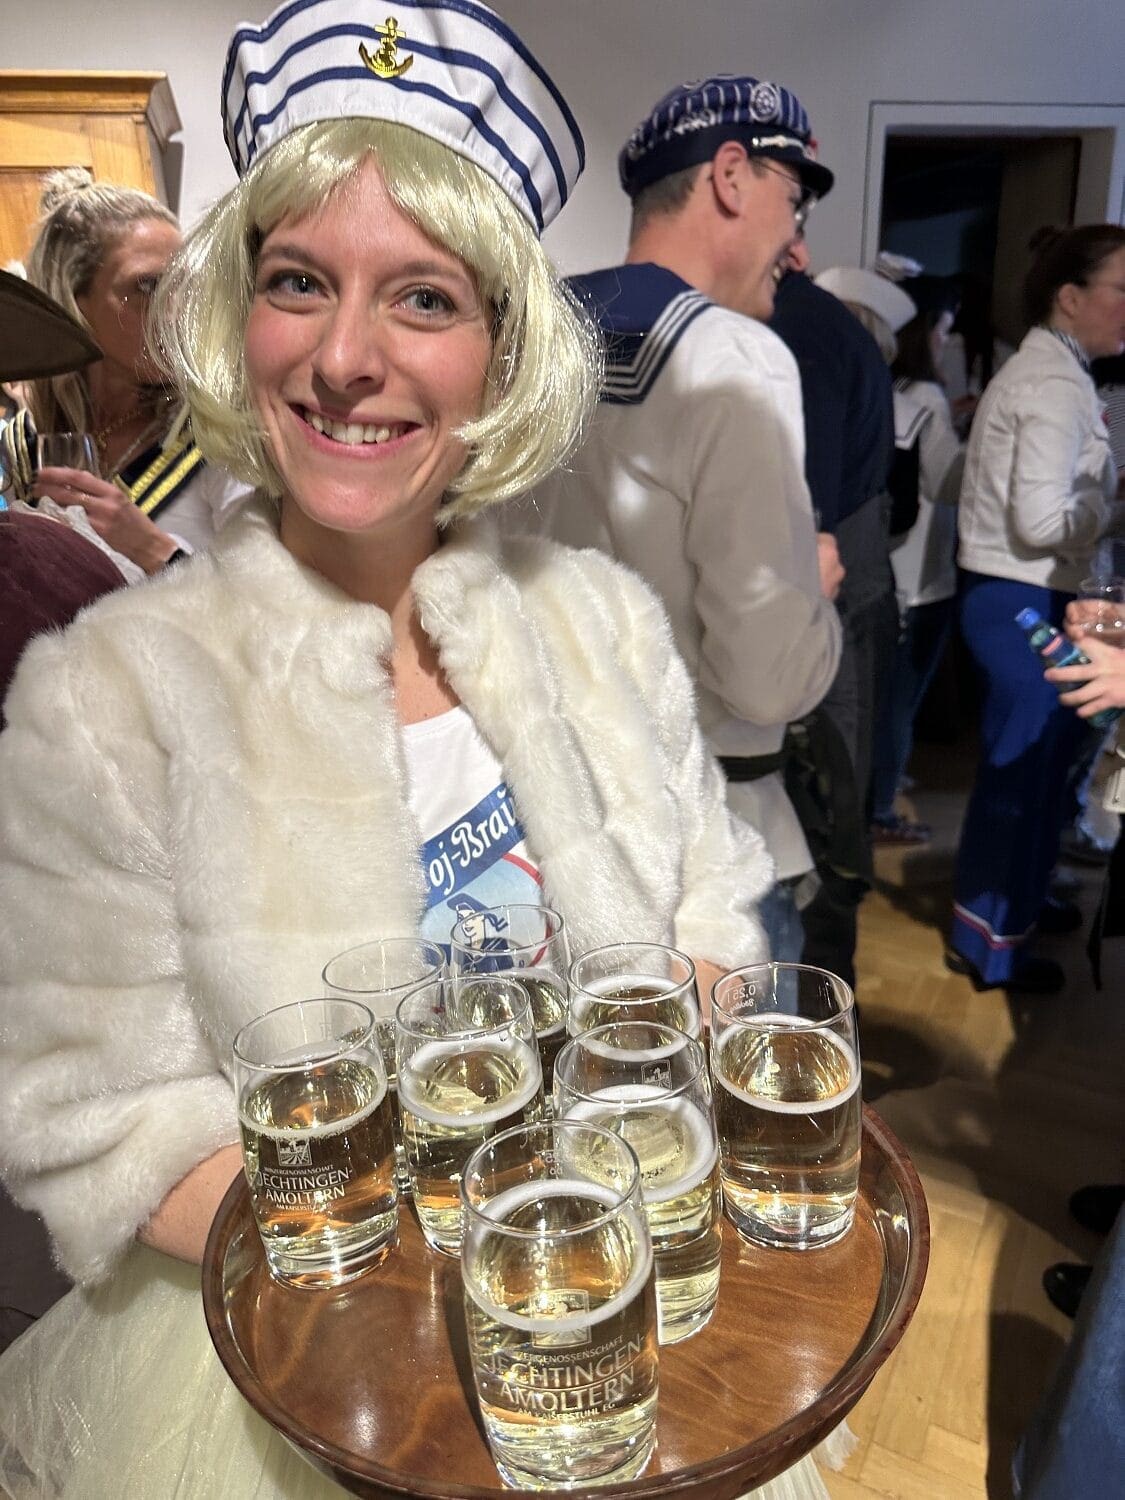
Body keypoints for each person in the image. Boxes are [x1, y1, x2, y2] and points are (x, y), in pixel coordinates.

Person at [0, 7, 820, 1496]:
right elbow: (87, 1119)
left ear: (503, 354)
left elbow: (705, 930)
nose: (343, 359)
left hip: (600, 1317)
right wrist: (427, 1306)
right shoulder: (108, 700)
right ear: (235, 314)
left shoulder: (602, 626)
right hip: (303, 1366)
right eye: (298, 282)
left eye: (424, 298)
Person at [521, 74, 843, 964]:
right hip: (704, 843)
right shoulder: (734, 358)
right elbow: (768, 683)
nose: (798, 249)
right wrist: (814, 601)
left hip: (536, 829)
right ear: (730, 175)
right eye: (794, 202)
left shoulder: (524, 339)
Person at [948, 224, 1125, 992]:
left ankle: (1012, 912)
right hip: (1021, 596)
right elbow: (1039, 521)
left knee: (1037, 765)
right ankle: (989, 946)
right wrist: (1107, 505)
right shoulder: (1053, 384)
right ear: (1070, 297)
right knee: (1018, 774)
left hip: (1016, 594)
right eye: (1121, 290)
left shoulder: (1051, 372)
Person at [770, 257, 900, 986]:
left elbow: (805, 514)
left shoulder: (796, 330)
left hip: (831, 599)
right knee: (832, 797)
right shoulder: (820, 325)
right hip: (852, 588)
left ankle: (812, 1018)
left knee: (820, 801)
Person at [20, 168, 251, 573]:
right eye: (148, 287)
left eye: (183, 286)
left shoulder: (220, 432)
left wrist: (152, 549)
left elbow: (267, 596)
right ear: (73, 304)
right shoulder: (23, 446)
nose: (176, 312)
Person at [870, 280, 966, 842]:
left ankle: (879, 788)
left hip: (889, 565)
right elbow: (947, 481)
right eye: (942, 332)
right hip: (923, 575)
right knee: (900, 700)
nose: (945, 344)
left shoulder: (889, 386)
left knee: (883, 695)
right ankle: (881, 808)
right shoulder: (925, 397)